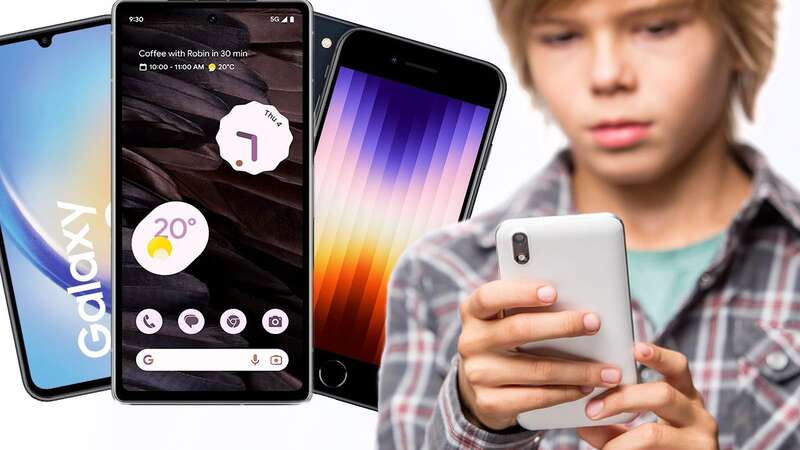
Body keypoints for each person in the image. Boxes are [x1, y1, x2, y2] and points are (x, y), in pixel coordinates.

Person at [376, 0, 797, 449]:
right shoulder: (438, 274)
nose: (606, 76)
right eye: (562, 37)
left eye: (655, 29)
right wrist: (479, 424)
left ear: (739, 37)